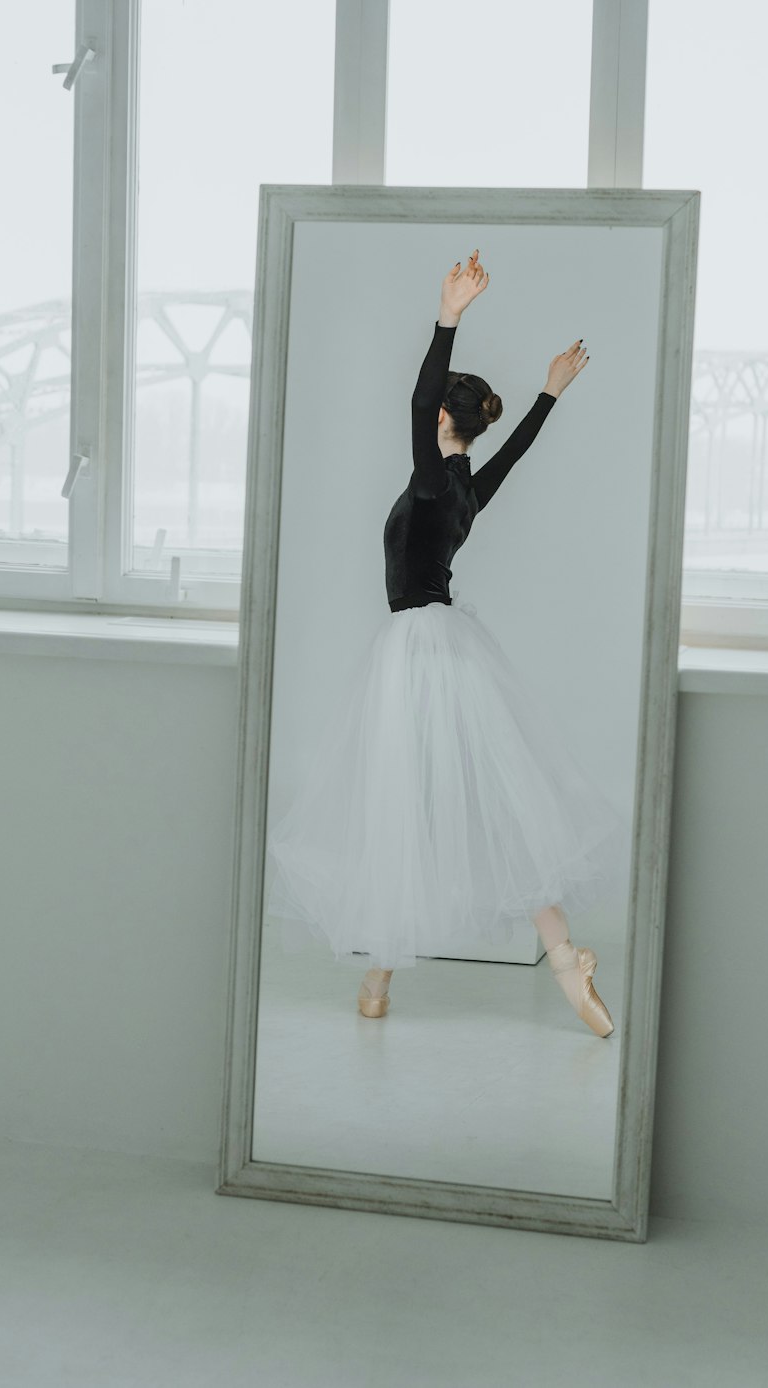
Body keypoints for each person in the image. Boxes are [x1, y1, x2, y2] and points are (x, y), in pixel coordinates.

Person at [265, 250, 627, 1037]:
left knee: (408, 799)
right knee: (463, 800)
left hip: (418, 651)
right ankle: (556, 961)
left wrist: (449, 316)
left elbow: (420, 394)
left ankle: (389, 978)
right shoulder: (467, 488)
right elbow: (518, 452)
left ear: (440, 423)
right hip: (442, 651)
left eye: (431, 414)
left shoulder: (434, 479)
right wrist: (549, 395)